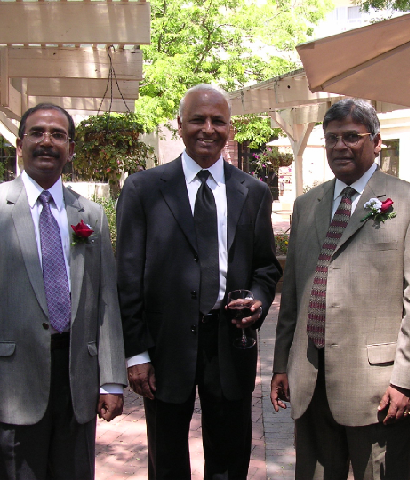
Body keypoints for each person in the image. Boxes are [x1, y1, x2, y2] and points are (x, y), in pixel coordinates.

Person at [271, 98, 410, 480]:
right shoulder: (306, 205)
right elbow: (294, 297)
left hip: (377, 388)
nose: (339, 147)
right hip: (309, 381)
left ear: (377, 142)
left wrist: (406, 381)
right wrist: (282, 364)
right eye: (331, 138)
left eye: (352, 137)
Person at [116, 84, 282, 479]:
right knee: (168, 459)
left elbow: (266, 267)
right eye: (197, 119)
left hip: (231, 342)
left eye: (218, 121)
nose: (208, 129)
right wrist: (137, 353)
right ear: (180, 124)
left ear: (230, 129)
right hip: (166, 345)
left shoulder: (254, 192)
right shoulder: (143, 189)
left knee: (230, 458)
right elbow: (127, 276)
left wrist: (257, 302)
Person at [0, 103, 126, 479]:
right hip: (6, 388)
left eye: (58, 135)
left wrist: (112, 379)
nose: (46, 141)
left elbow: (105, 301)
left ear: (70, 148)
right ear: (20, 145)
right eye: (37, 133)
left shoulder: (90, 215)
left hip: (76, 382)